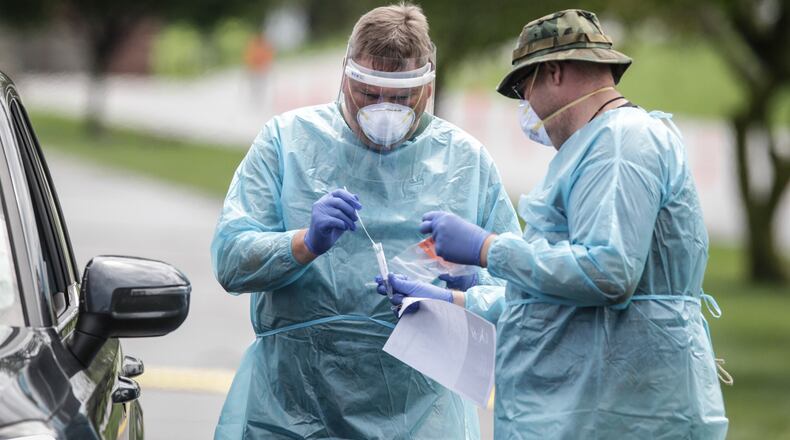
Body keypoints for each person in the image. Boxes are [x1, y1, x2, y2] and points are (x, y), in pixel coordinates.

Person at [378, 9, 729, 439]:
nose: (527, 110)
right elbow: (559, 298)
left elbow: (607, 272)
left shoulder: (621, 144)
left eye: (526, 92)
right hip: (601, 408)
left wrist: (489, 249)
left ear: (555, 72)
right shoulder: (596, 148)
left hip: (630, 413)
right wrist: (452, 301)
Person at [210, 3, 520, 439]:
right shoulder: (288, 143)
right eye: (368, 93)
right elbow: (230, 260)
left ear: (427, 87)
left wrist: (454, 301)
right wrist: (302, 244)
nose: (383, 109)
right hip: (291, 411)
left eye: (399, 98)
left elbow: (520, 295)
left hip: (421, 416)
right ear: (345, 77)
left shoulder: (465, 165)